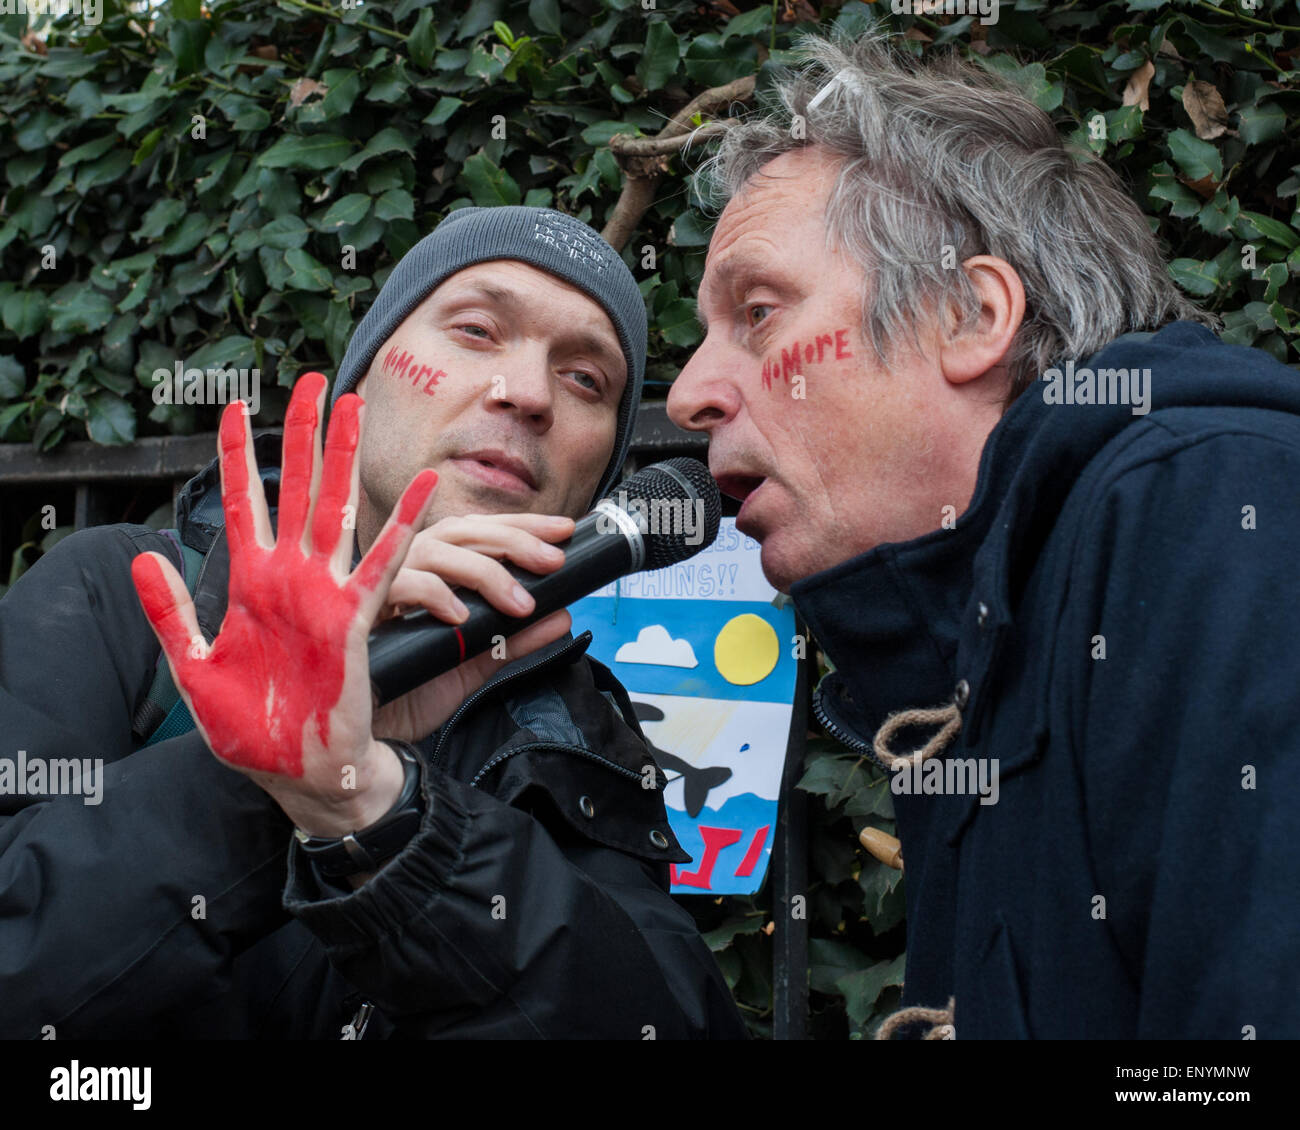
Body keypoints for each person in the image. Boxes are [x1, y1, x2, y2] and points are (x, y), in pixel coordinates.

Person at [666, 31, 1300, 1039]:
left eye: (758, 311)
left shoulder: (1211, 502)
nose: (689, 391)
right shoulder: (982, 651)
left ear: (970, 312)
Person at [0, 206, 746, 1040]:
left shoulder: (573, 730)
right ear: (365, 378)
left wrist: (391, 822)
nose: (530, 393)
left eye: (586, 381)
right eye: (475, 329)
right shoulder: (121, 599)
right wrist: (266, 772)